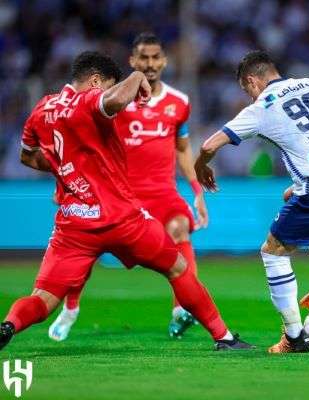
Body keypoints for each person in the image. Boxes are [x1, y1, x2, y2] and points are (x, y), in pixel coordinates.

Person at [0, 51, 252, 351]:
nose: (107, 90)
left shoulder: (42, 109)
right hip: (122, 219)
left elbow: (26, 156)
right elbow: (115, 101)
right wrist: (137, 76)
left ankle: (8, 325)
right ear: (95, 81)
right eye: (107, 84)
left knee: (43, 298)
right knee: (178, 268)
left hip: (74, 226)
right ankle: (223, 337)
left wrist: (63, 168)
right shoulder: (88, 100)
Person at [194, 50, 309, 353]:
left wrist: (201, 167)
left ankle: (293, 338)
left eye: (246, 90)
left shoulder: (262, 106)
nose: (248, 96)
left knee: (272, 251)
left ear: (252, 81)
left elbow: (209, 144)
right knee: (297, 201)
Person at [48, 33, 207, 341]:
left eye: (155, 57)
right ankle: (71, 307)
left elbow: (183, 149)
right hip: (117, 194)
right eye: (143, 58)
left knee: (179, 229)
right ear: (132, 62)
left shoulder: (179, 103)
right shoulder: (114, 99)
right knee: (84, 252)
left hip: (163, 193)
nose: (150, 64)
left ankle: (181, 310)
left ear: (164, 60)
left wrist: (197, 190)